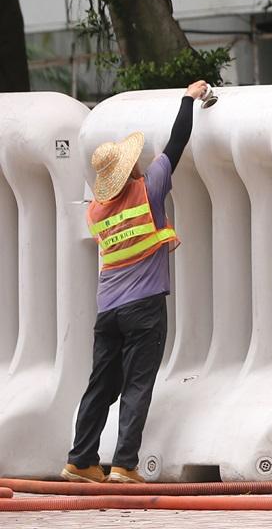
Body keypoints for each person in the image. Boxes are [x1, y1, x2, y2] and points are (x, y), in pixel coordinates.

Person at [61, 80, 209, 484]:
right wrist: (188, 99)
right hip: (144, 307)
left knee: (100, 385)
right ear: (130, 169)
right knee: (138, 384)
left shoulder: (95, 211)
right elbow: (177, 143)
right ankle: (125, 465)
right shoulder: (149, 188)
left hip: (108, 310)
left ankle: (80, 459)